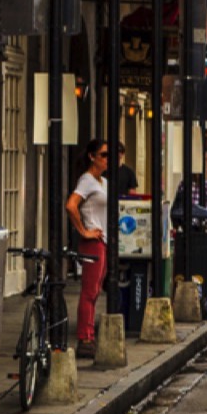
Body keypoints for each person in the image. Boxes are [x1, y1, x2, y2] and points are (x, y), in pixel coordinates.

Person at [66, 139, 111, 359]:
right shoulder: (87, 180)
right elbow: (71, 204)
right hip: (92, 241)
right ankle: (85, 337)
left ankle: (89, 333)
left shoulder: (102, 182)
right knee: (89, 290)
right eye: (103, 155)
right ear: (92, 157)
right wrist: (84, 231)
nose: (107, 159)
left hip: (102, 242)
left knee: (95, 291)